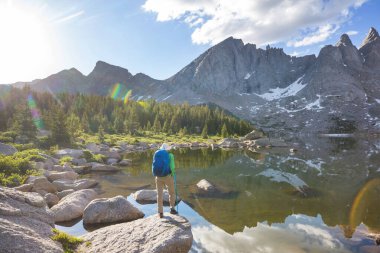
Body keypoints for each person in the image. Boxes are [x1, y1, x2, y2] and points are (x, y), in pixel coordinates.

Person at [152, 143, 178, 218]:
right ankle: (172, 208)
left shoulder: (156, 153)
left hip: (158, 177)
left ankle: (160, 213)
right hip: (167, 177)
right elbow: (172, 167)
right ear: (167, 149)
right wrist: (173, 174)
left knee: (159, 195)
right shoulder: (170, 155)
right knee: (171, 193)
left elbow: (153, 165)